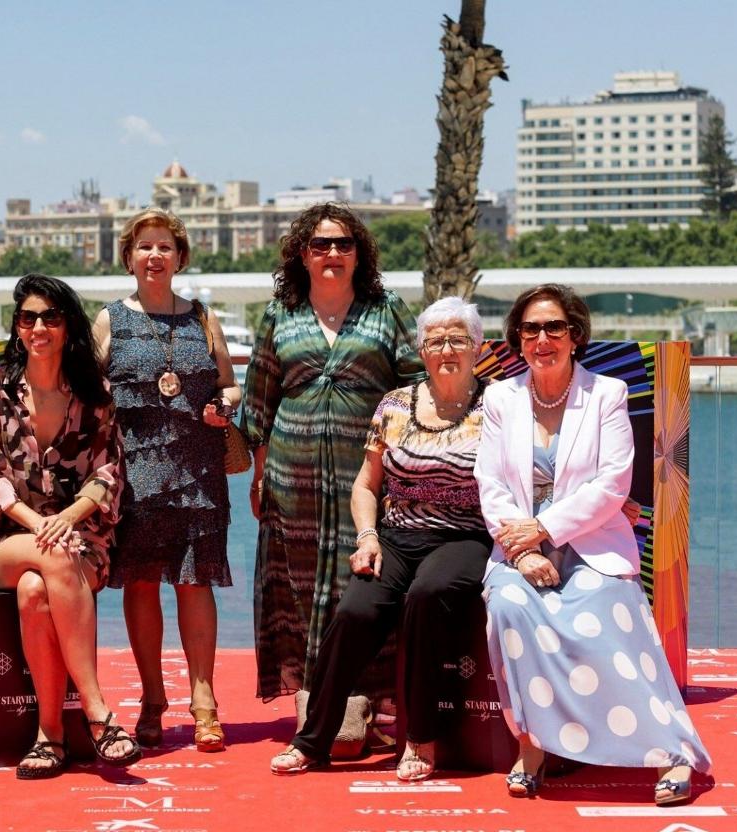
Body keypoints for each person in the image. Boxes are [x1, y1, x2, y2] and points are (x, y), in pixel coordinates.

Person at [476, 283, 711, 805]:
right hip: (517, 548)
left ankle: (671, 751)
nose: (543, 338)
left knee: (605, 608)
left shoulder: (607, 394)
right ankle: (532, 746)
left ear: (575, 336)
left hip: (594, 543)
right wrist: (523, 549)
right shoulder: (500, 398)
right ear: (517, 338)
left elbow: (612, 485)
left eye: (554, 327)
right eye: (531, 329)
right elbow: (489, 484)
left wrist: (545, 530)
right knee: (511, 605)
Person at [270, 297, 492, 781]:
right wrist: (367, 536)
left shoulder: (499, 406)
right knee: (355, 611)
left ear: (477, 347)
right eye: (435, 340)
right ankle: (313, 740)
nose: (446, 349)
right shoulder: (395, 404)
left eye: (458, 338)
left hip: (466, 535)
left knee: (427, 596)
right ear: (422, 349)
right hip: (396, 535)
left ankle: (421, 738)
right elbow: (366, 484)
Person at [242, 202, 423, 702]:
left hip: (365, 474)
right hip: (290, 473)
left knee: (362, 579)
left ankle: (369, 695)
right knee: (297, 583)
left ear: (359, 255)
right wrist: (258, 478)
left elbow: (416, 386)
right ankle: (313, 695)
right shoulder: (281, 313)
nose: (333, 253)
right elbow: (259, 399)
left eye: (344, 244)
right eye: (321, 244)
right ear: (302, 254)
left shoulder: (386, 309)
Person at [0, 273, 139, 778]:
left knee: (33, 592)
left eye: (50, 317)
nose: (38, 327)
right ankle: (98, 712)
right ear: (17, 327)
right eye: (28, 318)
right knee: (46, 558)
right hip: (7, 538)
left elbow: (108, 473)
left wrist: (65, 519)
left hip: (79, 536)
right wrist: (42, 526)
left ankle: (50, 735)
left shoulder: (95, 393)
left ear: (68, 326)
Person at [93, 209, 240, 752]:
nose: (155, 256)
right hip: (134, 470)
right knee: (140, 582)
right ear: (129, 257)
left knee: (195, 581)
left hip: (198, 468)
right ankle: (152, 699)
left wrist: (222, 405)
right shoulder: (109, 320)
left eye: (165, 247)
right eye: (144, 247)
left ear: (180, 257)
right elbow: (88, 389)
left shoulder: (203, 318)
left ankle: (204, 700)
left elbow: (229, 385)